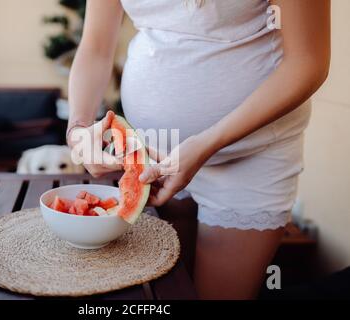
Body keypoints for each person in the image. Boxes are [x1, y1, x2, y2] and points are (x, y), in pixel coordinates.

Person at [66, 0, 330, 299]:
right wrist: (78, 129)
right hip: (152, 158)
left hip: (250, 160)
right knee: (164, 294)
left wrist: (206, 143)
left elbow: (307, 62)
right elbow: (96, 46)